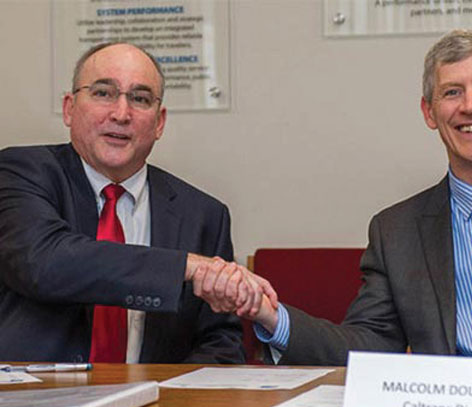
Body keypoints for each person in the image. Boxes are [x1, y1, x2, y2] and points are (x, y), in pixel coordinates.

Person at [199, 30, 472, 373]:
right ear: (430, 112)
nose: (471, 105)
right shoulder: (398, 231)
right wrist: (272, 315)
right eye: (451, 92)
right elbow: (369, 345)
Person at [0, 42, 275, 363]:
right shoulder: (21, 172)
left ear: (159, 122)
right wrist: (188, 266)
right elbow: (45, 262)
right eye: (103, 93)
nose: (121, 114)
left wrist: (173, 403)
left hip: (157, 406)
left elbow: (220, 342)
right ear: (69, 108)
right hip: (34, 403)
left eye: (140, 99)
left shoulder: (203, 214)